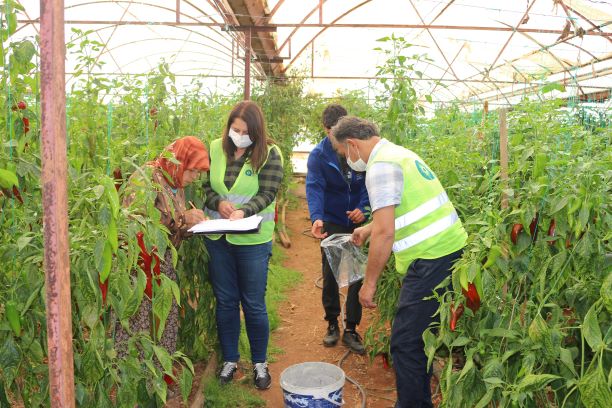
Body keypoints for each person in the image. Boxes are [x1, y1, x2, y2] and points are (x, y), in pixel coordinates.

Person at [329, 117, 467, 408]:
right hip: (444, 253)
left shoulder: (380, 168)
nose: (347, 160)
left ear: (352, 145)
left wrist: (368, 284)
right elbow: (396, 213)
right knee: (416, 338)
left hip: (432, 259)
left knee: (406, 343)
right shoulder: (398, 154)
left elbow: (386, 232)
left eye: (344, 154)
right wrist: (367, 229)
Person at [202, 100, 283, 390]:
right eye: (235, 129)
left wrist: (243, 211)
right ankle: (230, 360)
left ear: (257, 132)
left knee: (253, 303)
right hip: (218, 237)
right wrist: (220, 203)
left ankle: (260, 363)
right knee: (225, 301)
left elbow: (268, 193)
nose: (239, 135)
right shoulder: (214, 148)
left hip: (253, 239)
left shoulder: (269, 154)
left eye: (245, 131)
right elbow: (206, 188)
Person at [116, 136, 210, 383]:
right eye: (193, 170)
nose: (195, 178)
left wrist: (194, 224)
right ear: (179, 162)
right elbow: (140, 224)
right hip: (140, 268)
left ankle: (157, 381)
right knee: (137, 324)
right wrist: (182, 219)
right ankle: (132, 383)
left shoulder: (174, 181)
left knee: (164, 321)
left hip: (163, 264)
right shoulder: (145, 178)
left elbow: (173, 227)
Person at [306, 104, 369, 354]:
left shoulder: (358, 148)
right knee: (330, 271)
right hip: (331, 219)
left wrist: (363, 208)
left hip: (356, 220)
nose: (339, 136)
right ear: (326, 129)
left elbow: (368, 182)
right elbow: (315, 187)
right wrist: (317, 217)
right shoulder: (319, 155)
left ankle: (351, 328)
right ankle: (332, 323)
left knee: (357, 273)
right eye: (334, 131)